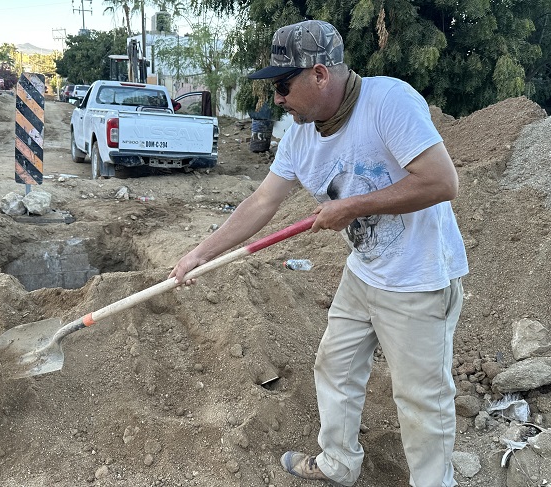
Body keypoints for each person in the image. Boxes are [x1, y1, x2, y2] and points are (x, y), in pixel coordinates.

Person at [169, 19, 468, 487]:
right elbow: (262, 202)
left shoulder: (389, 102)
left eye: (283, 86)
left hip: (419, 277)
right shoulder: (300, 137)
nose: (277, 99)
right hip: (364, 273)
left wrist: (352, 206)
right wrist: (200, 254)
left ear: (320, 74)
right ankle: (339, 462)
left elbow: (442, 182)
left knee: (421, 399)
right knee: (335, 367)